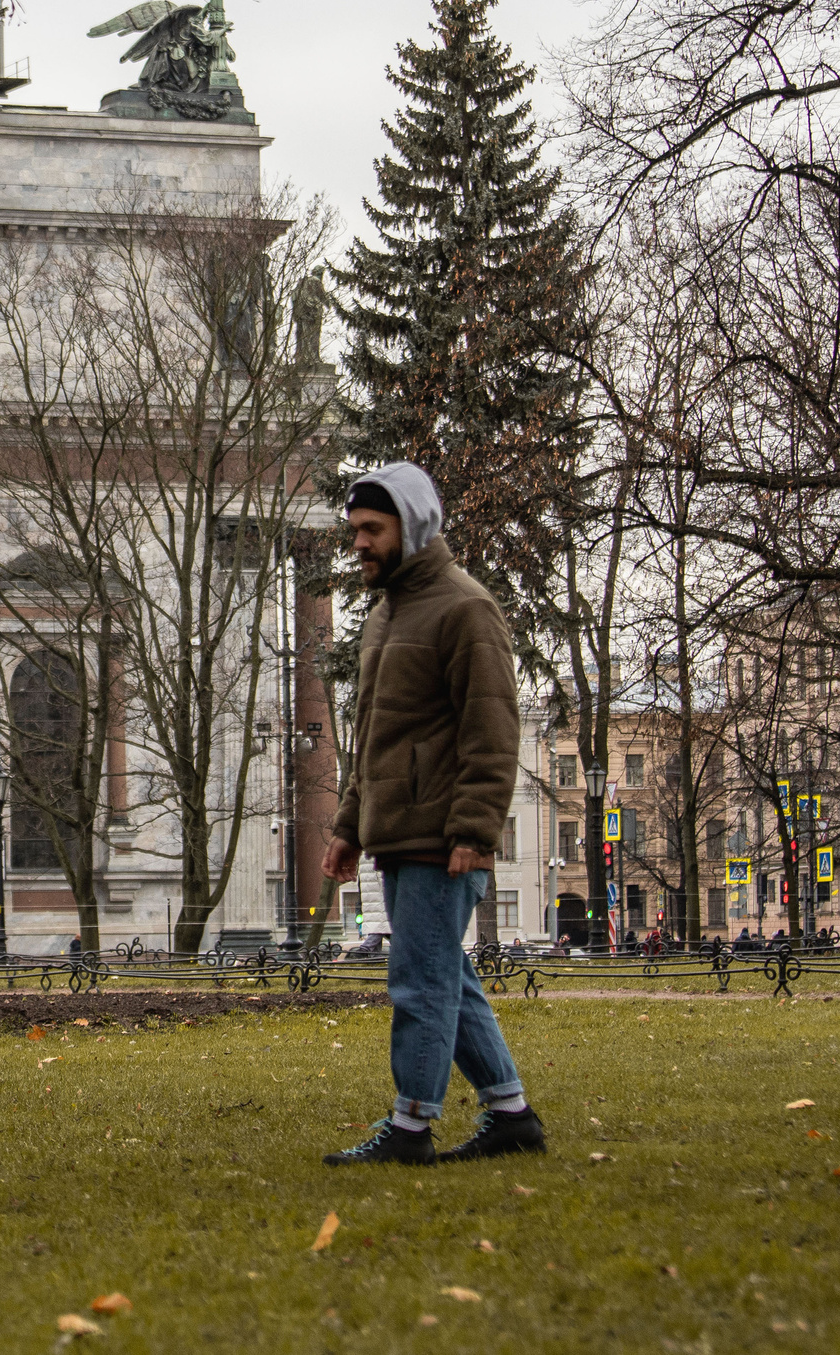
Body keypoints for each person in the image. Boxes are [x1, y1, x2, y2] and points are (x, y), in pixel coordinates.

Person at [318, 462, 544, 1166]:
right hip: (400, 832)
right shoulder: (387, 615)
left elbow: (492, 729)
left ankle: (412, 1126)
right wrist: (350, 825)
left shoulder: (464, 608)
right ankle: (511, 1114)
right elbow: (373, 740)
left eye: (372, 529)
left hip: (442, 838)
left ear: (412, 527)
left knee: (420, 980)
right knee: (447, 975)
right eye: (355, 530)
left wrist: (475, 831)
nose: (360, 543)